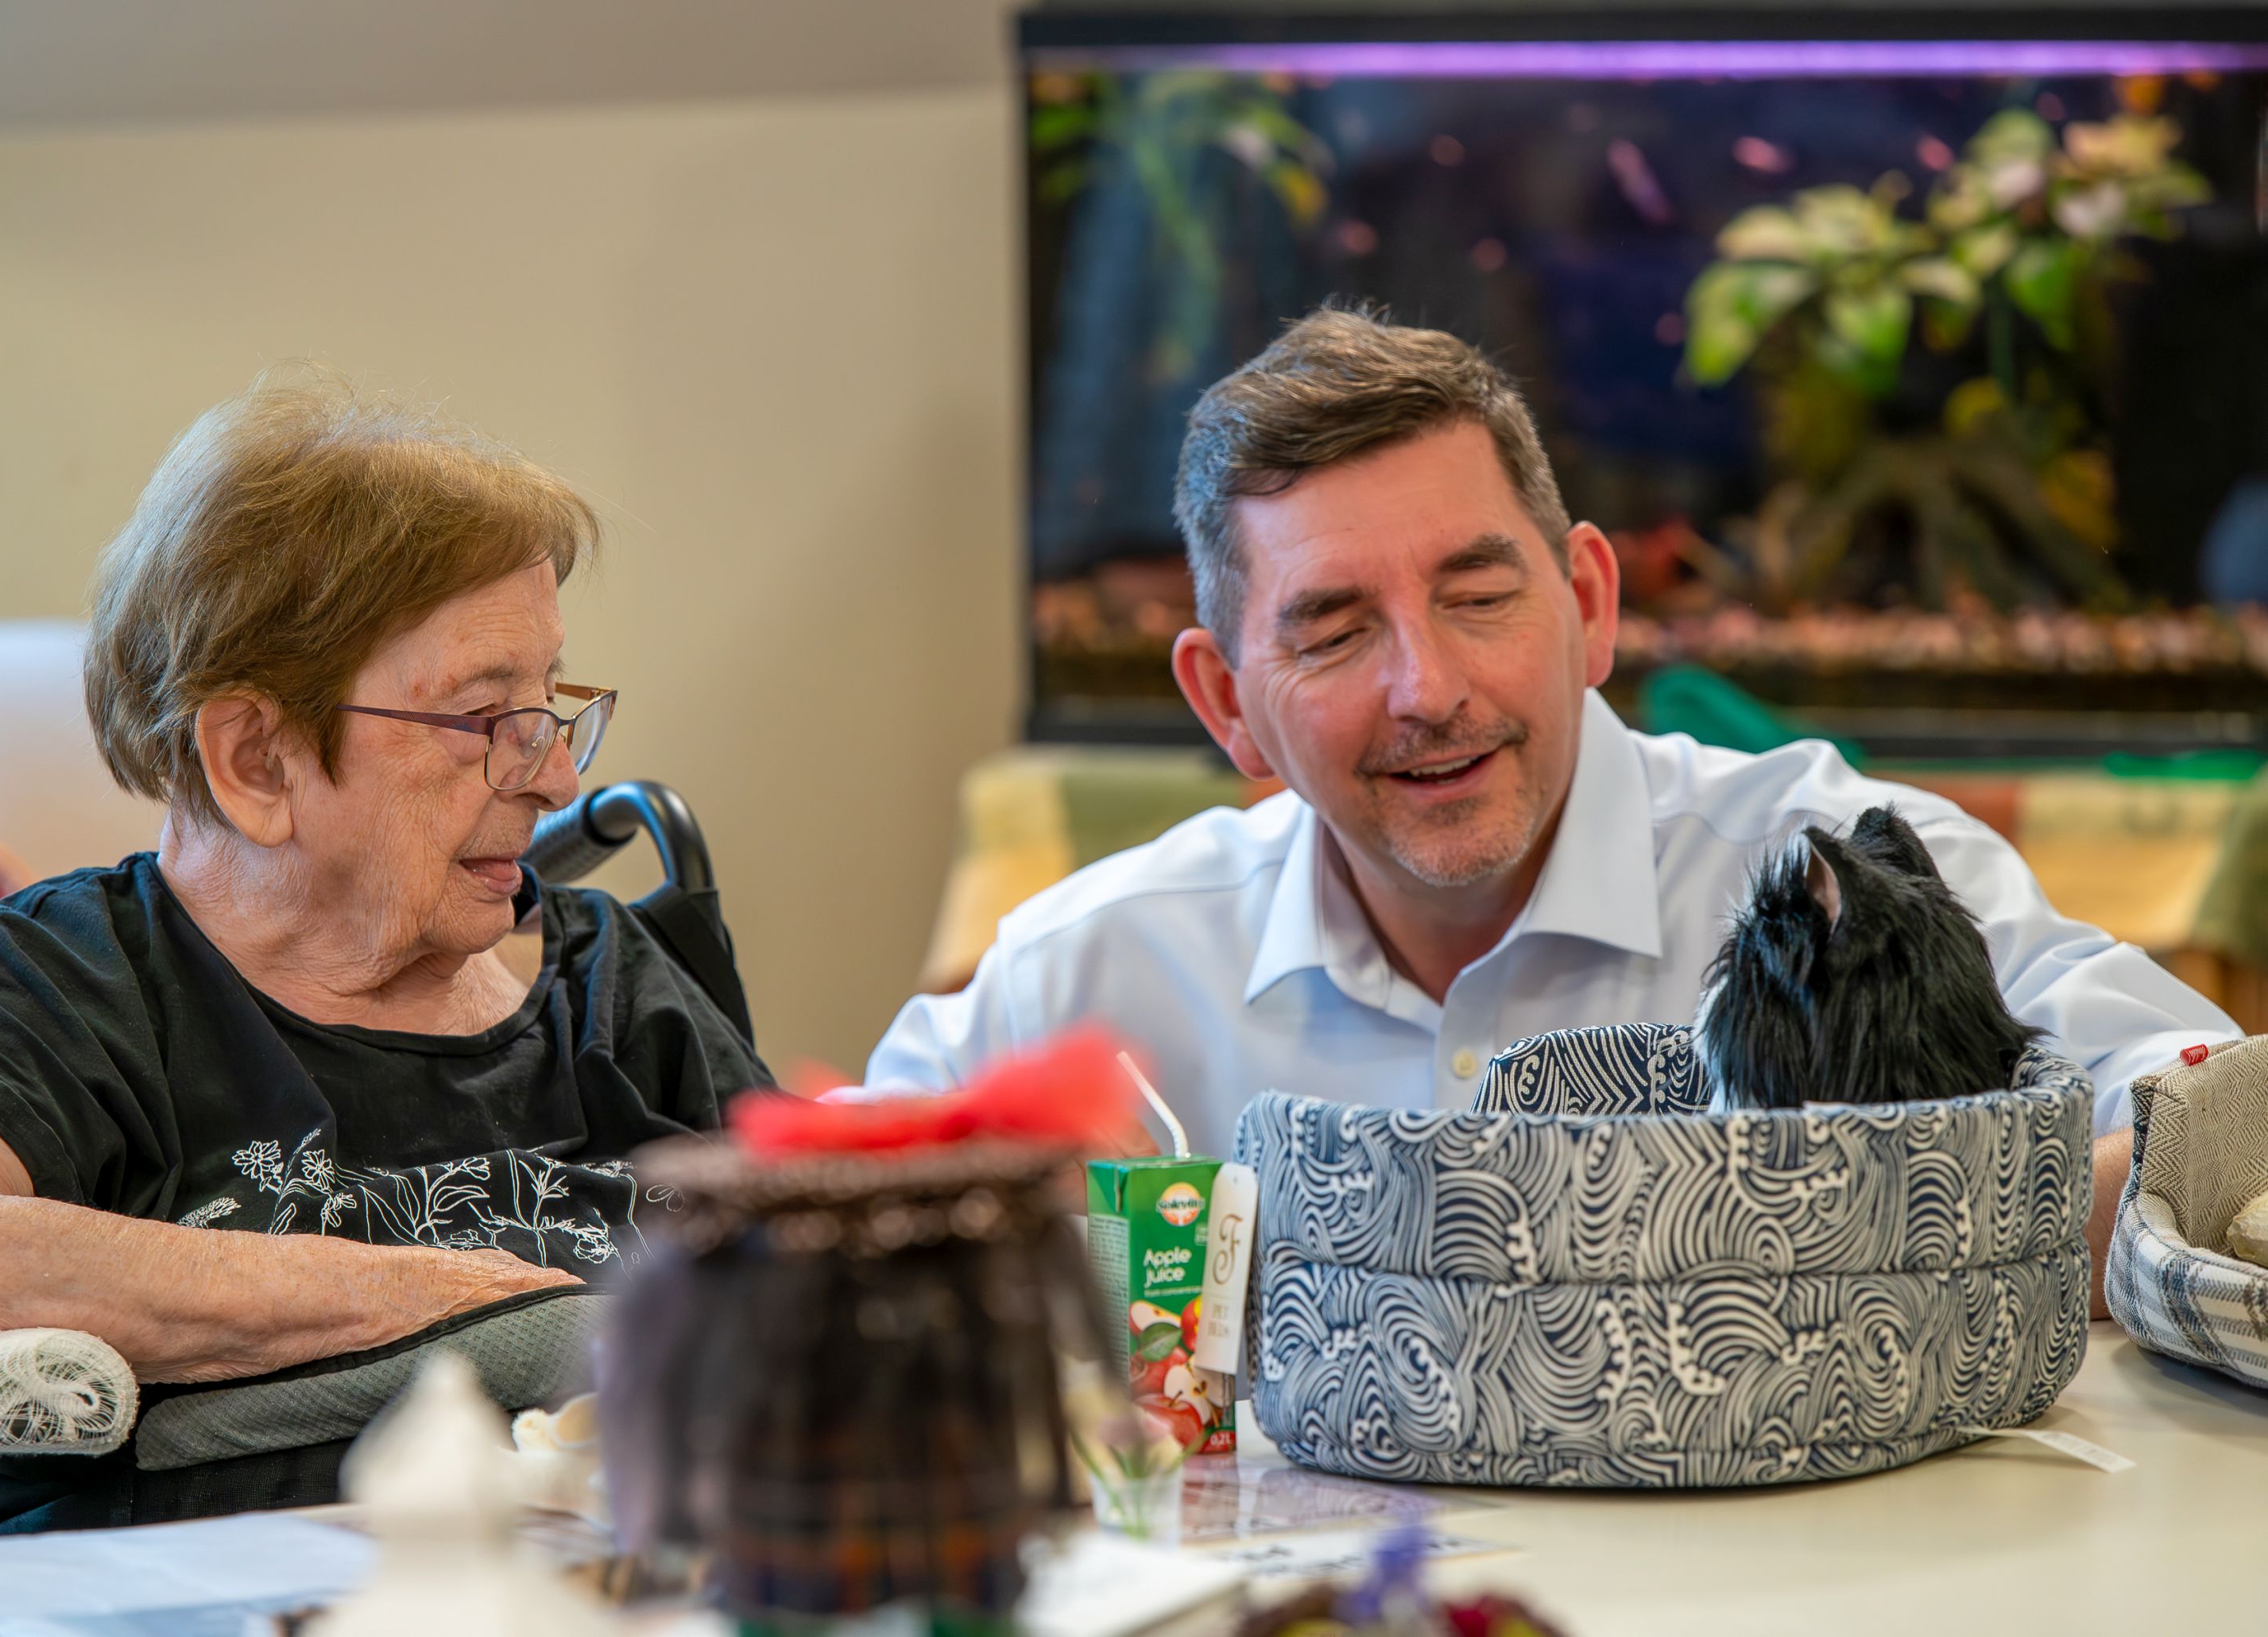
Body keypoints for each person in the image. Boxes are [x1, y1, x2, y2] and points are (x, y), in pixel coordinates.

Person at [867, 308, 2235, 1311]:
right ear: (1227, 703)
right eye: (1334, 632)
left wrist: (1861, 1232)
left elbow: (2236, 1119)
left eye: (1479, 597)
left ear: (1587, 602)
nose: (1428, 688)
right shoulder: (1090, 972)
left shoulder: (1848, 884)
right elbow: (821, 1225)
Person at [0, 372, 770, 1526]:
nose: (557, 776)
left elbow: (841, 1267)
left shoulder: (612, 986)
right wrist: (469, 1313)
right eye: (485, 718)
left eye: (551, 706)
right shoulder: (82, 988)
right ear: (255, 760)